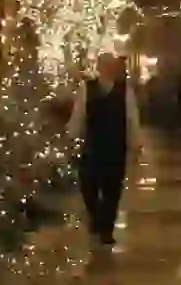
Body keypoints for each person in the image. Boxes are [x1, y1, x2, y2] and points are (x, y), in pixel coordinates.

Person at [66, 53, 142, 245]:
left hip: (116, 146)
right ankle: (95, 217)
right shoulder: (87, 88)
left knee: (112, 189)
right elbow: (79, 115)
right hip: (92, 146)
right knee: (88, 186)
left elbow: (132, 119)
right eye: (105, 65)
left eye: (111, 66)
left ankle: (106, 228)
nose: (108, 69)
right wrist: (72, 138)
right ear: (99, 67)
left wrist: (135, 144)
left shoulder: (125, 91)